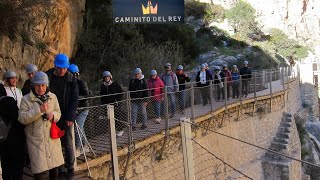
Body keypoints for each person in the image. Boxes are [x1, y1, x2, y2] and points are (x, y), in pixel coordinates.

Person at [19, 71, 64, 180]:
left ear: (46, 85)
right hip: (36, 142)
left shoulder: (53, 97)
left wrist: (53, 115)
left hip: (51, 139)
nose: (40, 88)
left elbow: (58, 113)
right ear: (33, 85)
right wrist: (38, 110)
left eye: (43, 85)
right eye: (38, 85)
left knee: (54, 173)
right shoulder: (26, 99)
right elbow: (22, 118)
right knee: (41, 174)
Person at [46, 54, 79, 178]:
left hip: (66, 115)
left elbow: (74, 99)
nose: (62, 71)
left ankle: (70, 167)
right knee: (55, 141)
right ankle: (60, 167)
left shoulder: (71, 79)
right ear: (55, 65)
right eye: (60, 68)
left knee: (68, 142)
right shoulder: (47, 76)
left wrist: (70, 117)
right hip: (52, 114)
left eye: (64, 68)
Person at [0, 79, 25, 180]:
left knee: (5, 166)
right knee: (17, 167)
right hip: (14, 138)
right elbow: (17, 119)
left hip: (1, 140)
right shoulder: (9, 101)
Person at [68, 64, 90, 157]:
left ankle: (77, 148)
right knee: (80, 128)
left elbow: (87, 96)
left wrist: (76, 98)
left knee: (78, 128)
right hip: (75, 109)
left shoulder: (81, 83)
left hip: (83, 108)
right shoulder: (68, 84)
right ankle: (85, 146)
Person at [100, 71, 125, 136]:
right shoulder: (103, 85)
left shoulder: (115, 84)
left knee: (117, 117)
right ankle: (112, 130)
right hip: (107, 104)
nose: (106, 78)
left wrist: (117, 100)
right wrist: (103, 103)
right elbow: (102, 95)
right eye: (105, 77)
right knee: (109, 118)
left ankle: (120, 130)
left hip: (115, 104)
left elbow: (121, 92)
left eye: (108, 77)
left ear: (110, 77)